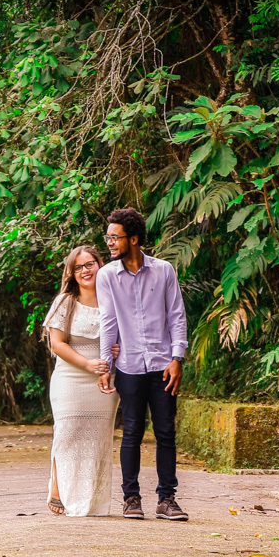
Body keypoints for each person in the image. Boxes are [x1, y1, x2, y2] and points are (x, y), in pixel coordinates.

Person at [96, 207, 189, 522]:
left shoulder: (163, 271)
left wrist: (178, 359)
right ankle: (131, 498)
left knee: (166, 432)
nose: (109, 242)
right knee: (132, 432)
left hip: (163, 364)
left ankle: (166, 499)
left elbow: (176, 315)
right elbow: (108, 323)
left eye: (114, 237)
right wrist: (106, 365)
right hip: (130, 365)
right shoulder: (107, 276)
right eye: (107, 236)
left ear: (133, 239)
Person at [42, 245, 121, 516]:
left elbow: (127, 335)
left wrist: (117, 349)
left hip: (104, 379)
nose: (85, 271)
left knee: (98, 439)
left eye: (90, 264)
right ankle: (58, 489)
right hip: (71, 376)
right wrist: (87, 363)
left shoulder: (114, 298)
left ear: (100, 265)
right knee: (67, 433)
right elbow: (57, 344)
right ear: (71, 273)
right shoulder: (65, 302)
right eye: (78, 267)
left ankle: (91, 498)